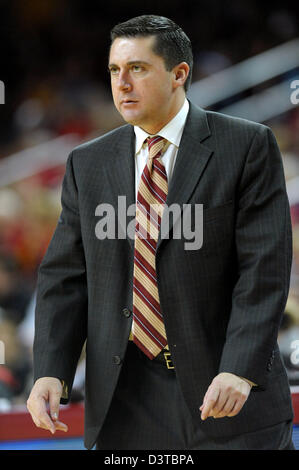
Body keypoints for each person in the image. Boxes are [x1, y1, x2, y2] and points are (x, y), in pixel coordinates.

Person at [27, 15, 295, 450]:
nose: (122, 83)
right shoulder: (87, 163)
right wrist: (49, 371)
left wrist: (240, 368)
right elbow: (64, 278)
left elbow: (264, 269)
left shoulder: (246, 146)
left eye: (137, 68)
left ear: (179, 74)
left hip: (226, 393)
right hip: (125, 401)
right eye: (115, 70)